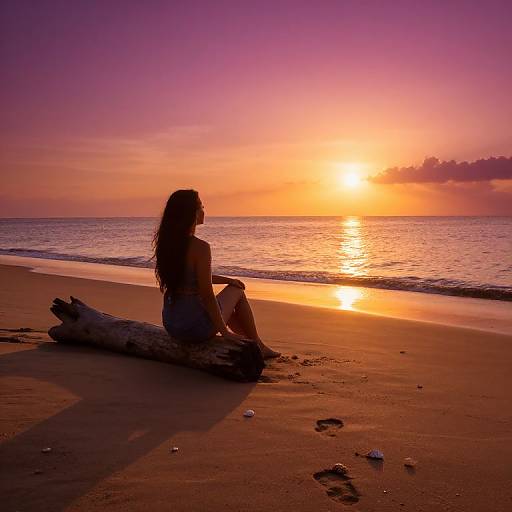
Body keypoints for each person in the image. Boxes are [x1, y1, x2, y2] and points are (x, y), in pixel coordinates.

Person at [153, 189, 280, 359]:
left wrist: (228, 279)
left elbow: (192, 280)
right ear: (191, 213)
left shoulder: (167, 245)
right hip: (195, 329)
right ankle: (257, 344)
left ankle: (252, 345)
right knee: (237, 292)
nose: (204, 211)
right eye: (201, 207)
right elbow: (207, 295)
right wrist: (224, 332)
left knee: (231, 294)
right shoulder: (200, 247)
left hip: (172, 324)